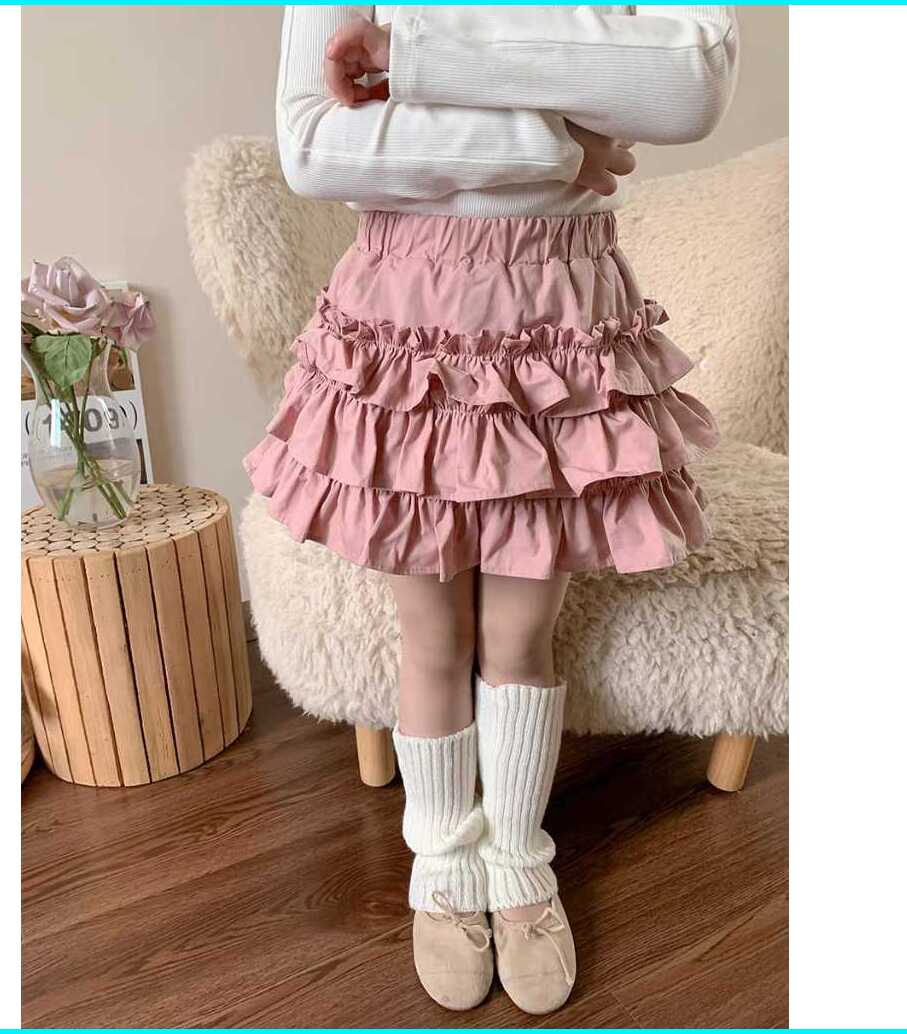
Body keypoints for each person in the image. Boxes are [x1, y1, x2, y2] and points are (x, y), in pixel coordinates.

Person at [244, 4, 738, 1015]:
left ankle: (517, 856)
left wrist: (420, 73)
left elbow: (686, 86)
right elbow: (316, 147)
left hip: (556, 330)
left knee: (519, 635)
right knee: (433, 634)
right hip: (408, 335)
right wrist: (555, 140)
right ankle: (441, 859)